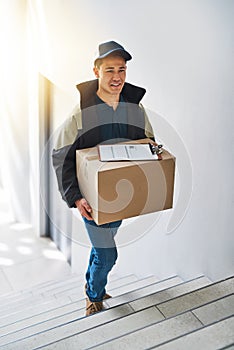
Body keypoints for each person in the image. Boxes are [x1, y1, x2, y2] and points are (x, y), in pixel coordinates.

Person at [52, 40, 155, 316]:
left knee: (103, 247)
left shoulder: (135, 109)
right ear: (96, 71)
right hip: (91, 198)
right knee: (108, 252)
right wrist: (75, 197)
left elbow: (149, 141)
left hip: (122, 194)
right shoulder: (81, 114)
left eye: (121, 69)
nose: (117, 77)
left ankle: (91, 281)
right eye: (110, 70)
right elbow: (61, 155)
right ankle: (94, 295)